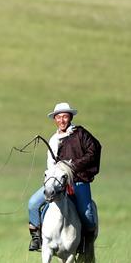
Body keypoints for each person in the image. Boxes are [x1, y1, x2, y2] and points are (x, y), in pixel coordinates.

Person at [27, 103, 102, 254]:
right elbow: (50, 165)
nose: (62, 120)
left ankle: (85, 246)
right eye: (59, 117)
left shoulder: (80, 133)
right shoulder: (53, 139)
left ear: (70, 117)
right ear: (55, 119)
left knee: (87, 214)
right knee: (33, 204)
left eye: (65, 116)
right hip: (56, 182)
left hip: (78, 181)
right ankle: (37, 238)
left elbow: (94, 150)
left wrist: (72, 166)